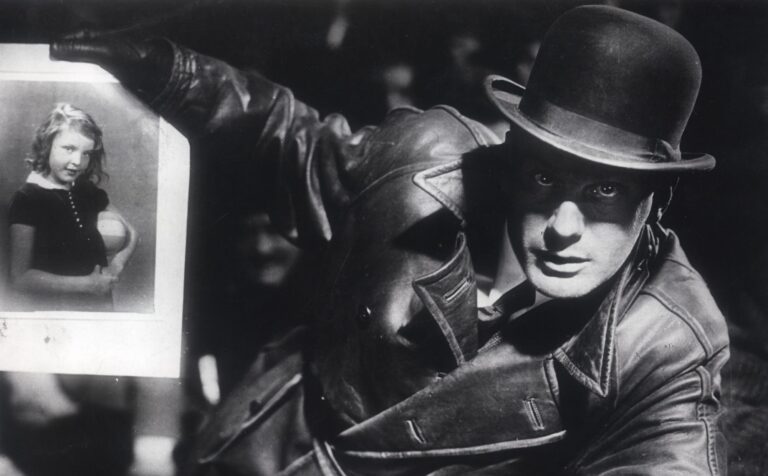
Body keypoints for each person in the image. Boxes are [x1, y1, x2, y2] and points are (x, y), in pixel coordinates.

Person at [52, 5, 729, 475]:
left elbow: (668, 458)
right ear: (513, 157)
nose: (563, 227)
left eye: (605, 191)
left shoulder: (667, 343)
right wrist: (170, 73)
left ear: (656, 198)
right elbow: (289, 145)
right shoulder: (425, 159)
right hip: (254, 454)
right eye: (545, 177)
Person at [7, 103, 138, 312]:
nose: (77, 161)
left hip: (100, 311)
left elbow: (132, 233)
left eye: (86, 153)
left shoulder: (87, 191)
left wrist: (115, 266)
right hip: (56, 318)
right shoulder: (27, 199)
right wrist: (88, 285)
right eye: (69, 149)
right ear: (47, 145)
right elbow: (20, 278)